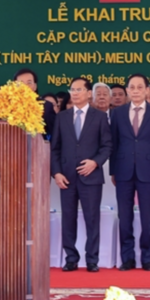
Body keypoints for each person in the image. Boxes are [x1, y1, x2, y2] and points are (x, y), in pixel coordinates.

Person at [51, 78, 112, 273]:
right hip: (67, 176)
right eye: (72, 90)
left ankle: (92, 259)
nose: (75, 93)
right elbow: (54, 148)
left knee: (92, 219)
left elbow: (107, 146)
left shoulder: (100, 117)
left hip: (91, 176)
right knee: (68, 218)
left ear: (88, 93)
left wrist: (95, 162)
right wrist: (56, 173)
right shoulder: (62, 117)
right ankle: (71, 258)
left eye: (79, 90)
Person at [109, 73, 150, 272]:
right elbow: (114, 143)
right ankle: (127, 258)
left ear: (146, 90)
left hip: (149, 171)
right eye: (132, 87)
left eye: (139, 87)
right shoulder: (117, 113)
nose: (135, 91)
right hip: (123, 171)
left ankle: (147, 257)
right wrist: (113, 171)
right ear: (127, 90)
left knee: (148, 217)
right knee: (125, 217)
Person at [14, 68, 56, 137]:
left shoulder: (46, 107)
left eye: (29, 83)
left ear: (35, 86)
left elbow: (55, 134)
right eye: (21, 83)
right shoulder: (6, 107)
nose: (25, 86)